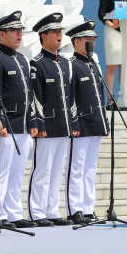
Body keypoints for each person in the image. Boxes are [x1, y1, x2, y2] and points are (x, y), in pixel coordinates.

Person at [0, 11, 38, 228]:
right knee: (1, 168)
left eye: (21, 30)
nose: (19, 34)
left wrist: (33, 121)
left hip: (23, 124)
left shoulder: (23, 59)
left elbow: (30, 94)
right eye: (14, 31)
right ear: (1, 34)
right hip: (5, 123)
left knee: (17, 170)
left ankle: (14, 212)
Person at [28, 13, 80, 227]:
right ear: (43, 36)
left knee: (57, 169)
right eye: (55, 32)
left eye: (60, 32)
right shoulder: (37, 63)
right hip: (47, 126)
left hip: (64, 124)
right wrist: (38, 123)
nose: (60, 36)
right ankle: (37, 211)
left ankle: (52, 210)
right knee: (42, 169)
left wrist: (74, 122)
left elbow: (72, 96)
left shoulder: (66, 63)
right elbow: (35, 96)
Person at [64, 21, 110, 224]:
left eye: (93, 39)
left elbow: (99, 95)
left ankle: (88, 207)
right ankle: (75, 209)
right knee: (77, 167)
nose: (92, 42)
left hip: (95, 123)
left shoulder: (94, 64)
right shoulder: (71, 64)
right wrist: (73, 123)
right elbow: (70, 98)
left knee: (90, 168)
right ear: (76, 42)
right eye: (88, 40)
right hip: (80, 124)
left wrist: (104, 123)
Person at [97, 0, 127, 97]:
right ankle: (110, 99)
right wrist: (112, 25)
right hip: (113, 31)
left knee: (124, 65)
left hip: (126, 32)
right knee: (112, 65)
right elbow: (101, 13)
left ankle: (124, 97)